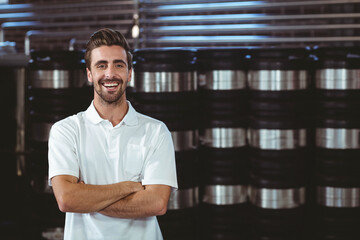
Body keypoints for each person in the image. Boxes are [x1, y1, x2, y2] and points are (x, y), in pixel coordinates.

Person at [48, 28, 178, 240]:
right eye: (101, 65)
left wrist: (87, 197)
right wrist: (127, 187)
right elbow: (67, 200)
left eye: (119, 64)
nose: (110, 74)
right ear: (89, 74)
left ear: (129, 73)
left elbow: (157, 203)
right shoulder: (66, 131)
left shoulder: (155, 131)